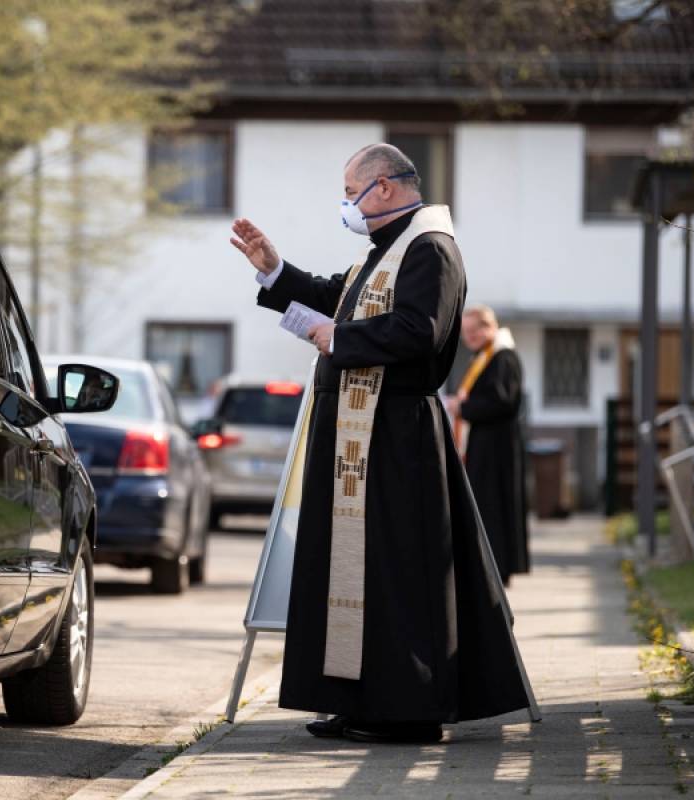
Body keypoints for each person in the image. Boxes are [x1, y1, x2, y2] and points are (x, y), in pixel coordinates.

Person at [229, 143, 532, 744]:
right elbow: (333, 292)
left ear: (385, 188)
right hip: (359, 438)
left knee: (398, 571)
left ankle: (410, 709)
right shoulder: (388, 251)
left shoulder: (432, 249)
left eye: (351, 193)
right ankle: (365, 701)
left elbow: (418, 331)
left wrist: (336, 337)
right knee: (358, 573)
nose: (348, 205)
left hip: (397, 439)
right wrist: (273, 268)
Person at [446, 305, 531, 586]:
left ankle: (498, 566)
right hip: (486, 443)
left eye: (473, 331)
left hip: (497, 448)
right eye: (465, 332)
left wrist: (464, 408)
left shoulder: (502, 357)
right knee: (485, 505)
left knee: (494, 505)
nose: (468, 337)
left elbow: (503, 402)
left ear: (489, 327)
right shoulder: (485, 357)